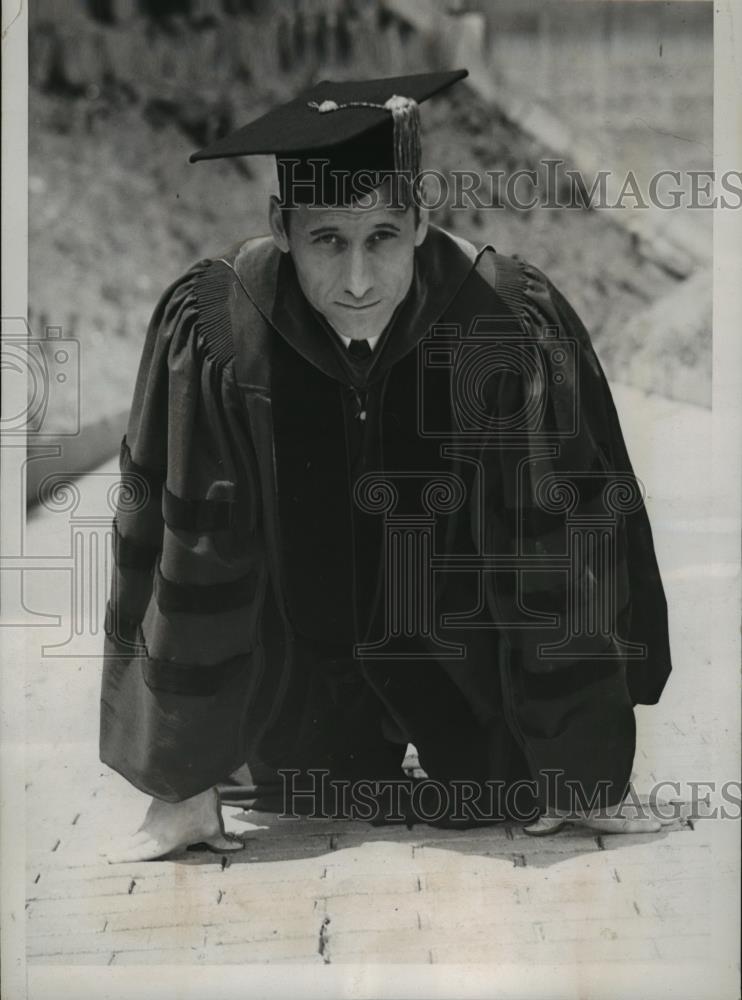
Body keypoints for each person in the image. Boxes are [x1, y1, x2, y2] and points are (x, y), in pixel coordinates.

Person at [100, 70, 672, 863]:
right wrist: (181, 780)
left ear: (421, 220)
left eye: (384, 237)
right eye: (326, 240)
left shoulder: (495, 320)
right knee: (301, 783)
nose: (359, 281)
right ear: (280, 224)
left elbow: (556, 551)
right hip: (301, 683)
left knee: (498, 787)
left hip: (465, 671)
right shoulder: (225, 335)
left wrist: (580, 771)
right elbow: (195, 564)